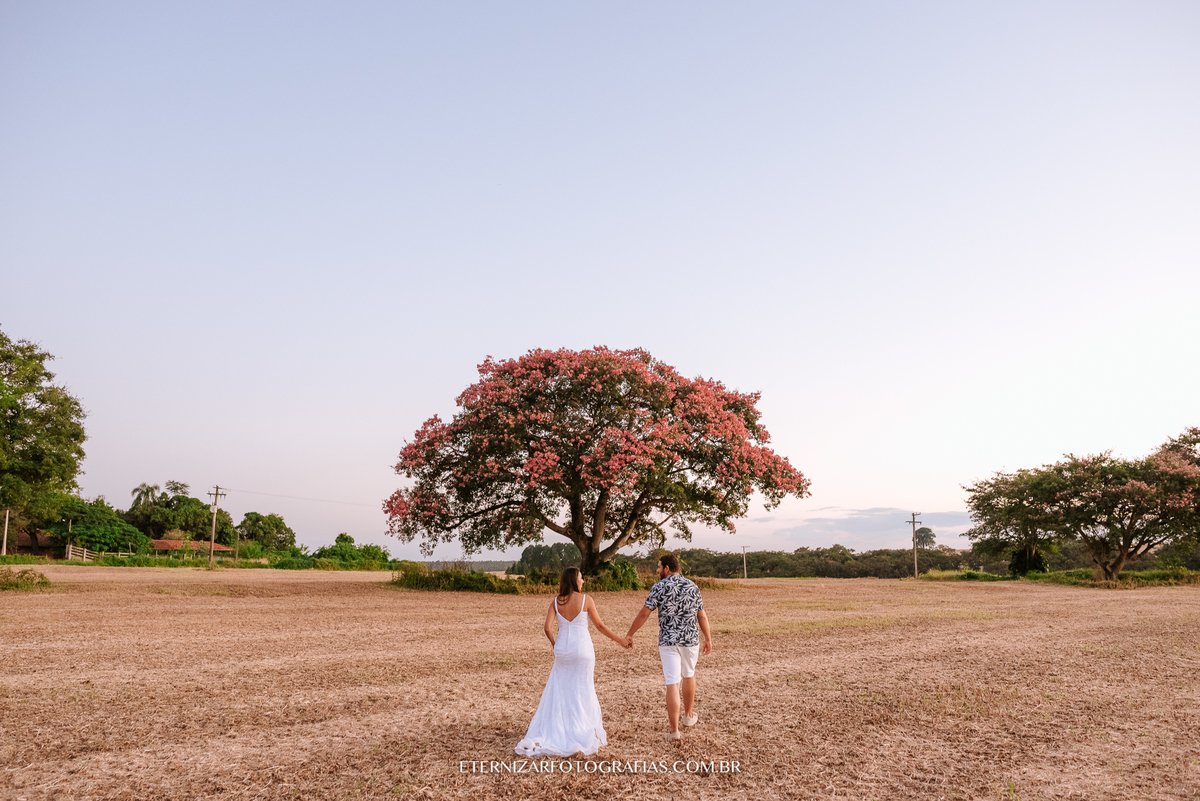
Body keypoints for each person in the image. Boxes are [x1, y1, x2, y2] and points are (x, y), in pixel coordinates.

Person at [515, 566, 631, 756]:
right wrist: (620, 641)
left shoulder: (555, 601)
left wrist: (555, 644)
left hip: (563, 651)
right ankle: (581, 729)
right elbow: (600, 626)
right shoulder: (586, 599)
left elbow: (547, 628)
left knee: (561, 690)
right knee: (582, 689)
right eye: (581, 577)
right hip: (582, 650)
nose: (583, 580)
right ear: (574, 580)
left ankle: (559, 730)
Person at [625, 552, 712, 741]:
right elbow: (701, 615)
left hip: (668, 641)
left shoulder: (659, 587)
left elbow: (644, 613)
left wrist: (630, 633)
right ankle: (688, 717)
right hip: (690, 639)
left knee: (672, 682)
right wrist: (708, 638)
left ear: (666, 568)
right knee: (689, 674)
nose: (657, 570)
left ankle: (674, 731)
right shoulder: (692, 586)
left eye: (658, 567)